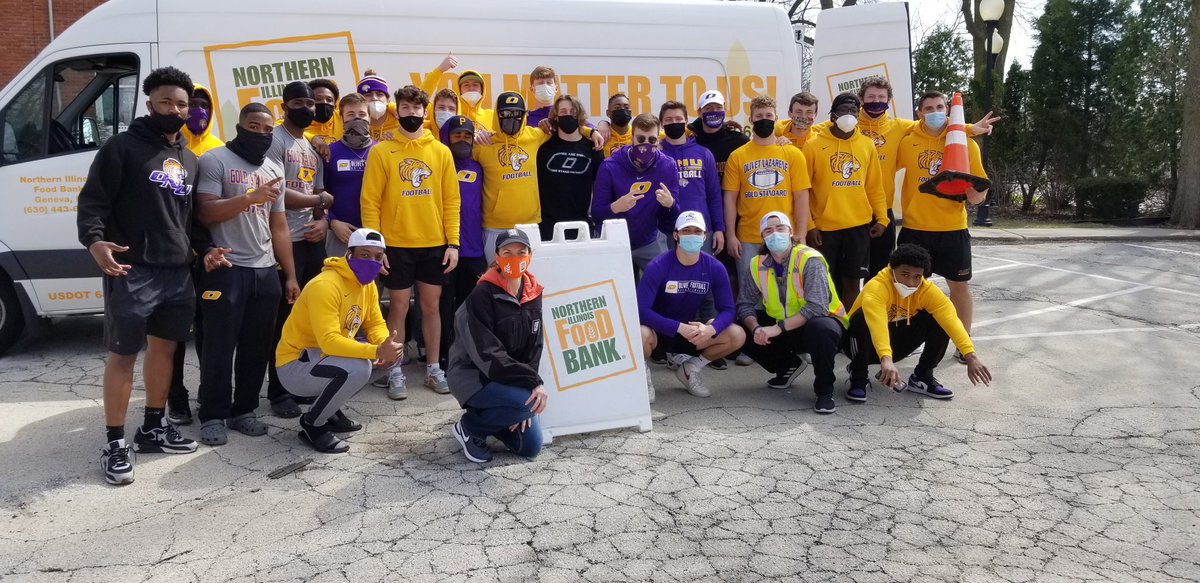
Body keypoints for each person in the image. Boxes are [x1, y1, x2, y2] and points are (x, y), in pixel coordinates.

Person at [77, 66, 224, 485]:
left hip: (177, 272)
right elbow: (93, 203)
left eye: (183, 104)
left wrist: (208, 249)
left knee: (165, 352)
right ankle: (114, 442)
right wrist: (94, 241)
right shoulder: (120, 149)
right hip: (132, 268)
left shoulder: (189, 159)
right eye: (167, 102)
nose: (176, 110)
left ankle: (153, 428)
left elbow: (191, 220)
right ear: (149, 104)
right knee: (123, 356)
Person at [194, 102, 299, 446]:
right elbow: (205, 212)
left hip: (265, 269)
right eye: (253, 127)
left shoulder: (273, 166)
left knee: (258, 345)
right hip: (226, 268)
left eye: (267, 130)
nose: (261, 134)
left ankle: (244, 410)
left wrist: (290, 275)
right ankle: (212, 413)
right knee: (219, 345)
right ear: (239, 127)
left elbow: (279, 224)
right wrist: (249, 197)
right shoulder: (215, 160)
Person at [361, 85, 461, 400]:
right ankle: (395, 370)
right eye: (406, 109)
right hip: (396, 246)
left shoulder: (441, 151)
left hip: (434, 245)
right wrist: (375, 248)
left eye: (417, 110)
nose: (412, 115)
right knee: (399, 308)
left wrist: (453, 243)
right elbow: (370, 202)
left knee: (431, 308)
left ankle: (433, 369)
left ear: (425, 111)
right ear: (397, 110)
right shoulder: (381, 150)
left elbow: (451, 201)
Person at [275, 228, 404, 453]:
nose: (372, 262)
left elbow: (374, 324)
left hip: (324, 360)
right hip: (295, 365)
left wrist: (385, 345)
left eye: (377, 256)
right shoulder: (325, 285)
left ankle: (331, 411)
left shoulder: (368, 286)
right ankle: (312, 424)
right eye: (365, 255)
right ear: (349, 254)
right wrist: (375, 351)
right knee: (358, 367)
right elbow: (329, 342)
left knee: (391, 359)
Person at [895, 91, 989, 363]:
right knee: (907, 289)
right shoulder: (908, 141)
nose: (934, 111)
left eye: (940, 107)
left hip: (952, 229)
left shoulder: (966, 144)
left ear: (948, 110)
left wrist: (976, 195)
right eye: (928, 108)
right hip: (915, 228)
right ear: (919, 113)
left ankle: (964, 344)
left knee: (959, 288)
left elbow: (979, 188)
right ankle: (905, 340)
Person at [447, 229, 547, 463]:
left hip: (508, 379)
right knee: (527, 404)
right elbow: (488, 356)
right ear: (497, 256)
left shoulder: (533, 292)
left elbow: (535, 347)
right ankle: (470, 427)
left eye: (521, 252)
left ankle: (499, 415)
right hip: (474, 376)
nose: (515, 258)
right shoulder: (481, 294)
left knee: (530, 447)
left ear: (530, 255)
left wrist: (527, 387)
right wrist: (531, 385)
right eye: (508, 252)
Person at [845, 244, 992, 401]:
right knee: (862, 317)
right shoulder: (877, 287)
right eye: (905, 274)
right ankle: (858, 375)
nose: (910, 282)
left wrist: (970, 356)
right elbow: (877, 324)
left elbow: (951, 319)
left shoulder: (926, 290)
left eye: (917, 277)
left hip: (892, 346)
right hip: (859, 344)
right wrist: (886, 358)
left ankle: (922, 376)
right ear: (892, 269)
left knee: (939, 318)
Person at [265, 81, 332, 418]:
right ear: (284, 105)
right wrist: (318, 201)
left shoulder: (311, 146)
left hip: (311, 242)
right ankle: (277, 392)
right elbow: (277, 193)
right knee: (283, 322)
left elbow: (319, 192)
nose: (307, 107)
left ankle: (299, 384)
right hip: (283, 242)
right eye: (300, 102)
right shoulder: (275, 140)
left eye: (311, 102)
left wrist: (323, 219)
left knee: (309, 319)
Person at [736, 212, 847, 414]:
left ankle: (824, 390)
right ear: (762, 237)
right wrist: (757, 328)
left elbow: (817, 307)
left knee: (820, 327)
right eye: (768, 231)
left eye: (780, 228)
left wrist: (777, 329)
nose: (775, 234)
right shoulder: (756, 264)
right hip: (785, 327)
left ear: (790, 232)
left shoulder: (809, 259)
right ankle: (788, 366)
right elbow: (744, 304)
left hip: (823, 324)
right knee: (738, 327)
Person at [637, 211, 745, 402]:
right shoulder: (658, 265)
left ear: (704, 236)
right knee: (639, 334)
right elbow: (641, 310)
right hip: (659, 332)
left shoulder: (715, 267)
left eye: (697, 231)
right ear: (676, 235)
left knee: (737, 334)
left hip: (693, 332)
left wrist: (711, 328)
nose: (692, 235)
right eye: (686, 231)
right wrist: (678, 327)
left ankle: (690, 369)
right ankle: (642, 377)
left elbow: (728, 309)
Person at [802, 92, 887, 308]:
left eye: (853, 111)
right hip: (824, 229)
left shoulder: (867, 145)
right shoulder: (813, 145)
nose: (848, 115)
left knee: (852, 283)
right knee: (825, 282)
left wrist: (882, 218)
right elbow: (804, 190)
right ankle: (830, 330)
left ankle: (850, 335)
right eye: (842, 111)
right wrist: (810, 226)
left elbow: (874, 186)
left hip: (858, 226)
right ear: (832, 115)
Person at [723, 95, 811, 276]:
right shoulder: (738, 156)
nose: (764, 120)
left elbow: (801, 196)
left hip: (784, 235)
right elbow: (730, 199)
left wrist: (801, 234)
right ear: (751, 119)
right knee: (749, 295)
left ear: (776, 119)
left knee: (786, 292)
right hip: (748, 236)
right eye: (759, 116)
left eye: (769, 116)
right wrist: (731, 236)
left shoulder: (792, 153)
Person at [591, 113, 680, 274]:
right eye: (640, 139)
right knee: (613, 291)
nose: (646, 145)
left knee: (666, 283)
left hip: (649, 240)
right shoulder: (609, 166)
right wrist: (616, 207)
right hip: (614, 241)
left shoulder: (667, 166)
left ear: (658, 141)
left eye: (651, 140)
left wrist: (670, 205)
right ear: (631, 138)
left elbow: (672, 221)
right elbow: (597, 214)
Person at [659, 100, 724, 255]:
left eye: (678, 119)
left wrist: (719, 229)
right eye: (668, 120)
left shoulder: (703, 153)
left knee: (703, 276)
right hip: (667, 230)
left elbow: (714, 194)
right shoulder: (657, 155)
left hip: (700, 229)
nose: (674, 123)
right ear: (661, 124)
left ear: (686, 122)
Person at [537, 94, 603, 241]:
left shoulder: (594, 148)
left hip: (581, 227)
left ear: (579, 115)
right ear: (556, 116)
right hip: (548, 228)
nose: (568, 115)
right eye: (563, 112)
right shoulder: (543, 147)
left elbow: (600, 188)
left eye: (573, 112)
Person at [324, 93, 375, 258]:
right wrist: (332, 221)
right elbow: (320, 192)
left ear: (370, 118)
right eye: (351, 115)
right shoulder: (330, 152)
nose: (357, 119)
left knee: (372, 284)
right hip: (340, 234)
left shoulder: (381, 151)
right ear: (341, 118)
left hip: (374, 235)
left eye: (362, 114)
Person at [181, 83, 223, 156]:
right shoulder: (171, 144)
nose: (200, 110)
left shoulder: (219, 148)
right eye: (193, 104)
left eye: (205, 106)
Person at [357, 70, 399, 142]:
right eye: (368, 95)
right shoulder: (354, 122)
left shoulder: (400, 119)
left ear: (388, 99)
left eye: (379, 94)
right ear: (360, 100)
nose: (374, 98)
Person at [305, 78, 343, 147]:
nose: (324, 102)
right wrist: (311, 138)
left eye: (329, 100)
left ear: (335, 105)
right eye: (318, 99)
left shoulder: (343, 116)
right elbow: (280, 128)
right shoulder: (299, 118)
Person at [602, 93, 634, 158]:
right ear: (608, 113)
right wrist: (602, 123)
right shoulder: (601, 135)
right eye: (617, 107)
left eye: (626, 107)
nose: (623, 110)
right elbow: (581, 128)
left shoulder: (637, 134)